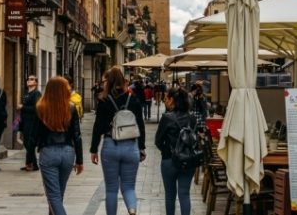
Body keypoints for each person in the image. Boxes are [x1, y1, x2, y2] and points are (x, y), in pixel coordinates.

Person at [90, 66, 146, 215]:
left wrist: (93, 149)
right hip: (131, 147)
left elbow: (97, 127)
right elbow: (140, 125)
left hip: (110, 146)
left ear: (108, 81)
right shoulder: (133, 99)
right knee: (129, 187)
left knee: (111, 189)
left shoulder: (103, 100)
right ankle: (132, 210)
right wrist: (141, 147)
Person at [34, 77, 84, 215]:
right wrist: (79, 160)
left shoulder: (40, 107)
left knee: (53, 196)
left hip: (48, 152)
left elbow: (34, 134)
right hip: (68, 153)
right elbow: (77, 136)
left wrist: (31, 155)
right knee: (58, 194)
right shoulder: (71, 108)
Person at [155, 87, 196, 215]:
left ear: (173, 100)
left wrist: (168, 151)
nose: (166, 100)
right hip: (188, 160)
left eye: (167, 98)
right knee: (184, 194)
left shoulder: (167, 118)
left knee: (170, 195)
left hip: (169, 160)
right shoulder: (192, 118)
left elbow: (158, 141)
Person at [18, 74, 42, 171]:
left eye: (32, 79)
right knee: (26, 142)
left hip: (32, 121)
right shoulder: (26, 93)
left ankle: (33, 164)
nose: (29, 80)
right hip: (25, 120)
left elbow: (36, 108)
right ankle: (30, 163)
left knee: (29, 143)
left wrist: (22, 107)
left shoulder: (36, 94)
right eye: (28, 79)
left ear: (36, 82)